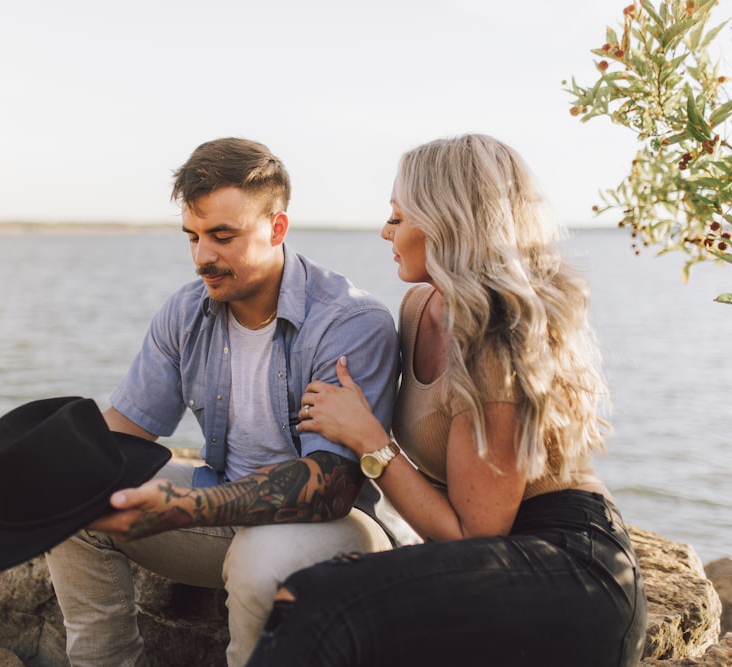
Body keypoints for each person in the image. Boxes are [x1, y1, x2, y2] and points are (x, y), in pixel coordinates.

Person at [246, 134, 648, 667]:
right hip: (492, 559)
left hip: (569, 568)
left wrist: (369, 440)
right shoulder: (418, 307)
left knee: (319, 600)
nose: (385, 230)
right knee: (316, 596)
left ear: (445, 223)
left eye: (397, 216)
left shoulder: (493, 342)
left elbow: (474, 535)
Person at [44, 137, 415, 667]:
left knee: (259, 560)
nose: (203, 258)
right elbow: (121, 433)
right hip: (223, 507)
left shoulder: (348, 322)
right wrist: (35, 464)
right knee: (73, 503)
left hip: (335, 529)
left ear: (277, 228)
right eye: (192, 237)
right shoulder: (188, 311)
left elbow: (330, 487)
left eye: (222, 236)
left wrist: (186, 507)